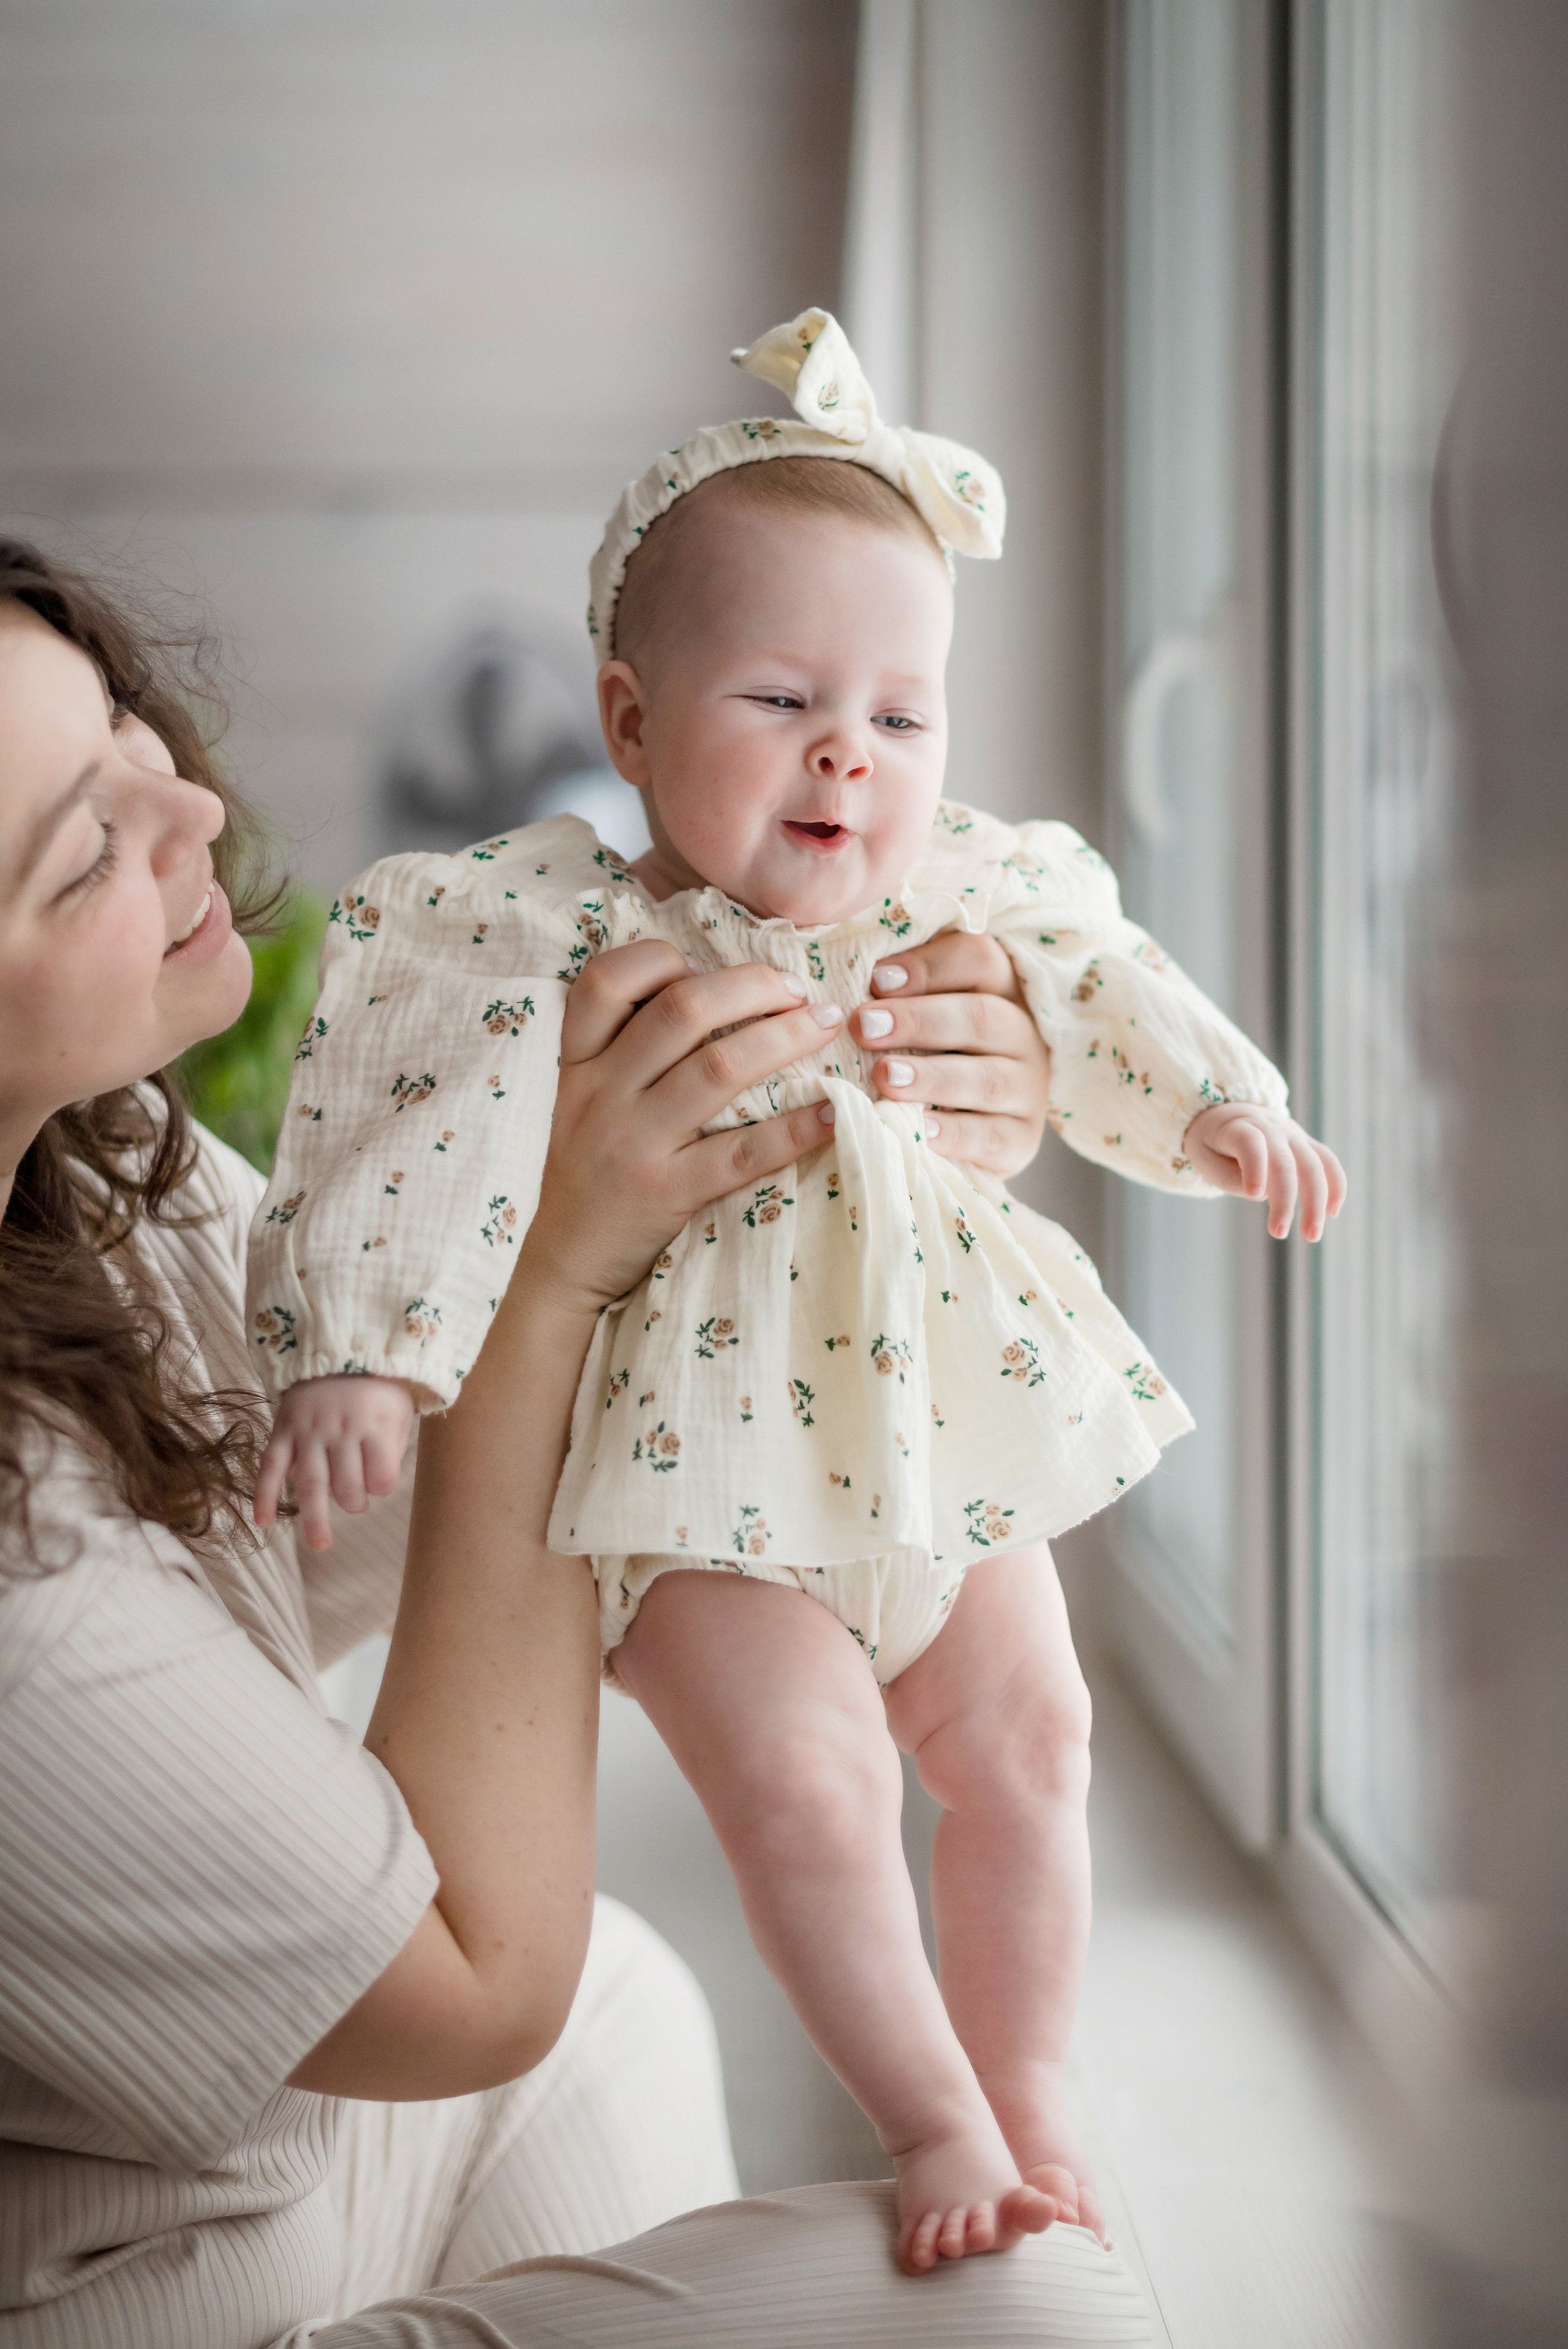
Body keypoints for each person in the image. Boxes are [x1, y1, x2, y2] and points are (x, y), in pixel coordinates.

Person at [249, 307, 1347, 2274]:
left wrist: (1227, 1107)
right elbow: (411, 1126)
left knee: (1035, 1737)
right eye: (780, 700)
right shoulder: (562, 934)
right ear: (633, 718)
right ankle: (928, 2114)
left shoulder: (968, 901)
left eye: (903, 715)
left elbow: (1109, 985)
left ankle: (1037, 2092)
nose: (854, 749)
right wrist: (363, 1352)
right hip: (696, 1479)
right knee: (817, 1782)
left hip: (932, 1443)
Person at [0, 538, 1158, 2346]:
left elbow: (360, 1483)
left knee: (642, 1985)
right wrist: (546, 1273)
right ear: (634, 716)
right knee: (1055, 2305)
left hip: (297, 2144)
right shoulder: (20, 1592)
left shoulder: (83, 1170)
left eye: (137, 734)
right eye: (86, 847)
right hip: (149, 2294)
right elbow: (476, 1988)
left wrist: (891, 1122)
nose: (197, 812)